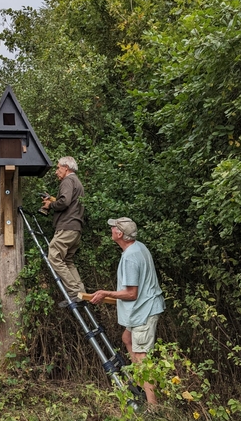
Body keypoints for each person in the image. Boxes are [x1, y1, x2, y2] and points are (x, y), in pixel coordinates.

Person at [90, 218, 165, 405]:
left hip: (145, 311)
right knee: (127, 339)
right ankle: (140, 386)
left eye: (114, 227)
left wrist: (106, 293)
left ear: (120, 234)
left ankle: (153, 407)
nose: (111, 229)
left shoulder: (131, 256)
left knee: (141, 358)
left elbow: (132, 294)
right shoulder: (138, 247)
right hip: (142, 309)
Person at [41, 156, 86, 305]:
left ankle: (74, 292)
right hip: (76, 228)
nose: (56, 171)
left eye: (58, 167)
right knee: (67, 261)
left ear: (66, 168)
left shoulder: (67, 181)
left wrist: (49, 206)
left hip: (66, 227)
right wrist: (53, 199)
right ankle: (81, 293)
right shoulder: (77, 182)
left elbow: (65, 202)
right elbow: (70, 202)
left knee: (54, 256)